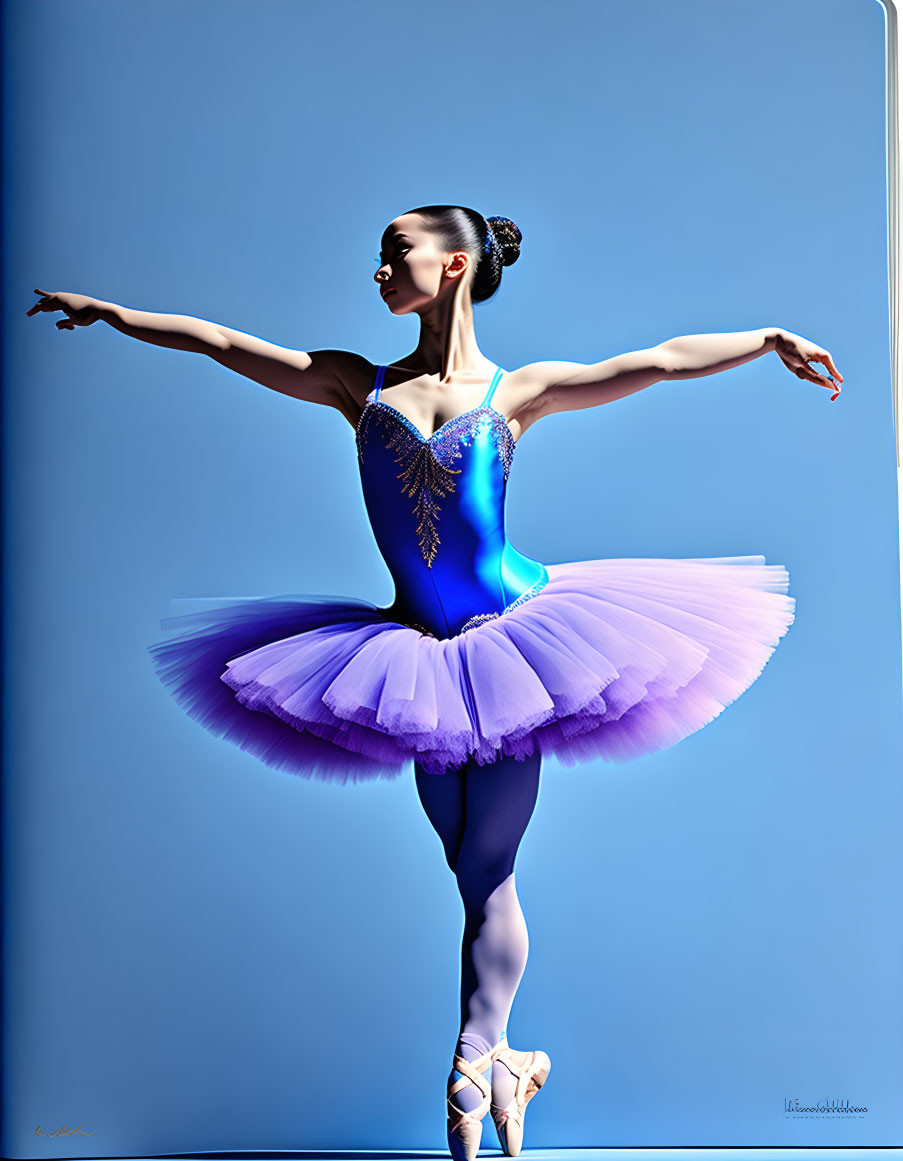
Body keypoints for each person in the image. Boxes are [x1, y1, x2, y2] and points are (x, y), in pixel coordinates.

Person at [27, 204, 842, 1159]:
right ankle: (505, 1063)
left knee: (487, 867)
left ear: (453, 266)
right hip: (412, 659)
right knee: (472, 872)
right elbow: (219, 343)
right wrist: (115, 312)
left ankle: (475, 1053)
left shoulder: (517, 389)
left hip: (518, 646)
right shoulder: (352, 383)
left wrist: (766, 339)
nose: (378, 269)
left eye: (394, 252)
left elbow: (656, 360)